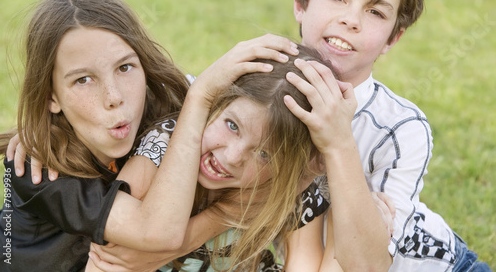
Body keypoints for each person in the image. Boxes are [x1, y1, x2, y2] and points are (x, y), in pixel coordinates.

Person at [0, 0, 298, 271]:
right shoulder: (39, 172)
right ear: (51, 96)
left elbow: (276, 157)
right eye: (83, 80)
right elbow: (159, 232)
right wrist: (200, 97)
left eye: (125, 67)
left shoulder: (157, 107)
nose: (114, 98)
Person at [290, 0, 492, 271]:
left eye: (375, 11)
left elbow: (370, 264)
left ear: (392, 38)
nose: (351, 20)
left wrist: (339, 141)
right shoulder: (259, 89)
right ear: (301, 3)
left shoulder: (401, 128)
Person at [89, 44, 343, 272]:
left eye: (264, 154)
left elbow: (304, 263)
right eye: (232, 126)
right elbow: (106, 255)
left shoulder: (293, 183)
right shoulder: (164, 144)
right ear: (215, 104)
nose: (233, 157)